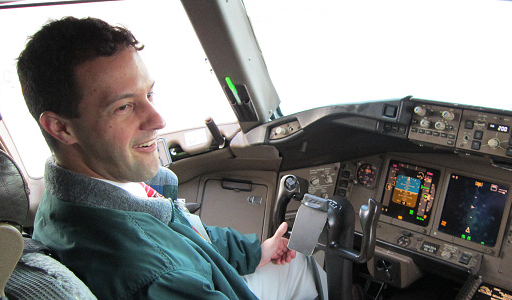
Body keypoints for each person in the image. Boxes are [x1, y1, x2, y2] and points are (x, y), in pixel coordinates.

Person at [18, 16, 326, 299]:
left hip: (205, 278)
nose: (157, 119)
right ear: (60, 127)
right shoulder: (154, 277)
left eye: (148, 95)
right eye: (123, 106)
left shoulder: (79, 190)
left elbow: (190, 235)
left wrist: (255, 252)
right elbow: (172, 262)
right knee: (310, 270)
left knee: (299, 265)